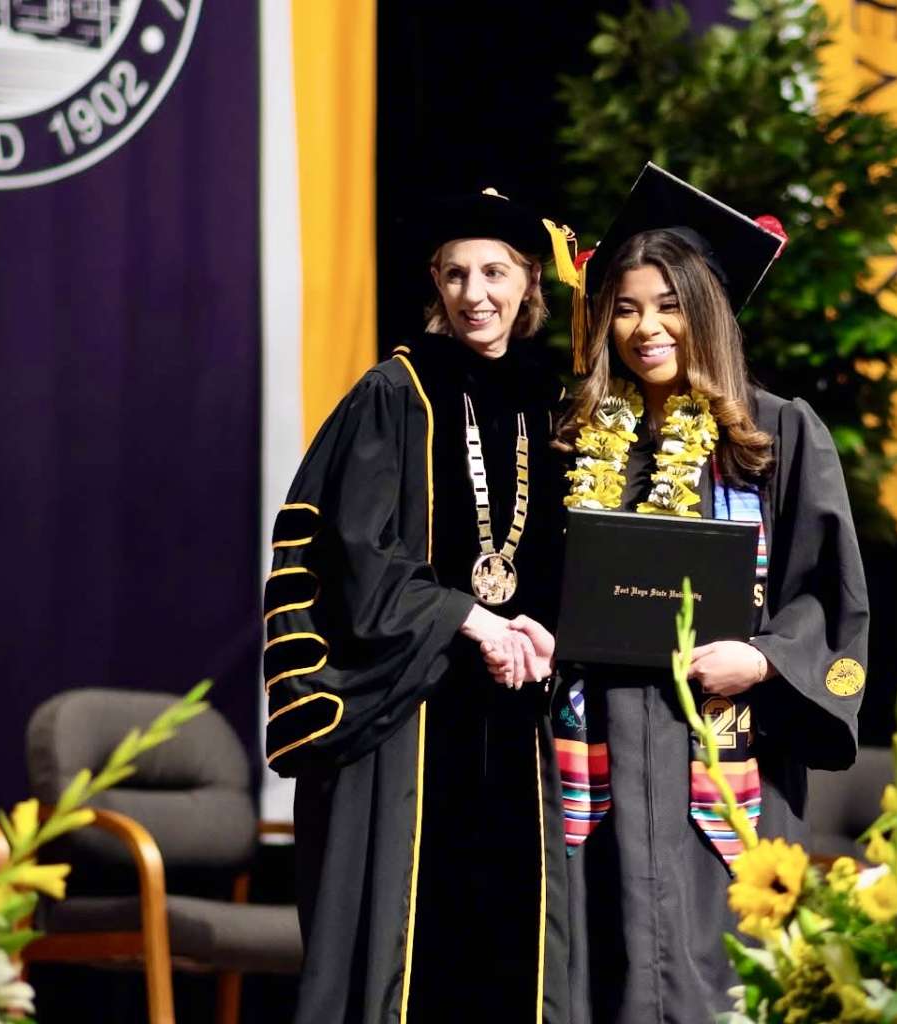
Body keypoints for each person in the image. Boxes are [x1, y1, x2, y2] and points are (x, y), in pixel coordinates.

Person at [502, 164, 870, 1024]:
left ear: (706, 312)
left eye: (668, 304)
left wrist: (768, 658)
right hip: (592, 753)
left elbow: (830, 595)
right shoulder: (575, 439)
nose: (645, 327)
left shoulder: (775, 431)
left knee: (723, 978)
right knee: (585, 973)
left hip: (720, 748)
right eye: (625, 307)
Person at [262, 188, 570, 1024]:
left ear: (529, 282)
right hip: (411, 707)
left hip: (522, 709)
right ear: (435, 283)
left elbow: (575, 546)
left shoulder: (558, 404)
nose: (477, 294)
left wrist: (544, 631)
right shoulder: (395, 391)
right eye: (457, 274)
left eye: (496, 272)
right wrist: (471, 620)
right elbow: (349, 551)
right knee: (405, 941)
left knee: (518, 933)